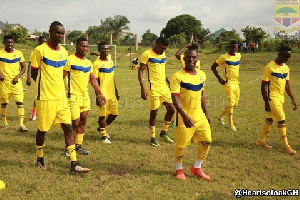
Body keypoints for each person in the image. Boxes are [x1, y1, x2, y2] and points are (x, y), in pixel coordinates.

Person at [30, 21, 90, 173]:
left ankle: (74, 163)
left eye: (62, 33)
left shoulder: (64, 52)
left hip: (61, 98)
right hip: (45, 98)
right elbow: (34, 73)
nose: (60, 35)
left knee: (69, 129)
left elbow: (63, 74)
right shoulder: (39, 50)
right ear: (49, 32)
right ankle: (40, 158)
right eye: (57, 32)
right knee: (42, 130)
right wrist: (43, 89)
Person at [171, 47, 212, 180]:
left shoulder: (202, 75)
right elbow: (175, 98)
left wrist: (206, 113)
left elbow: (202, 96)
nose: (191, 60)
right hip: (184, 117)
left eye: (194, 57)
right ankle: (179, 170)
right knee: (181, 145)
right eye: (188, 57)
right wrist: (183, 115)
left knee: (207, 141)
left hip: (199, 116)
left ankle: (197, 168)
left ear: (197, 59)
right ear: (184, 58)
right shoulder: (178, 76)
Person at [63, 37, 106, 156]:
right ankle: (68, 148)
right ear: (76, 46)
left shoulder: (88, 62)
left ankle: (78, 146)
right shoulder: (69, 60)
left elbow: (93, 81)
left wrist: (100, 94)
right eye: (83, 46)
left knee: (83, 122)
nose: (85, 48)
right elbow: (61, 76)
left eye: (87, 46)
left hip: (84, 96)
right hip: (72, 96)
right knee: (74, 123)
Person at [256, 46, 297, 155]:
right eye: (286, 56)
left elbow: (287, 85)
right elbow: (263, 86)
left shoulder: (286, 68)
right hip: (272, 98)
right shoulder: (269, 67)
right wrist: (266, 102)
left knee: (270, 118)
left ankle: (261, 141)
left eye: (289, 57)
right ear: (279, 54)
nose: (287, 59)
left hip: (280, 98)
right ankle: (286, 146)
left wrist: (292, 98)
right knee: (281, 118)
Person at [138, 37, 175, 146]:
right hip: (152, 88)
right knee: (154, 112)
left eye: (165, 49)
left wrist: (168, 82)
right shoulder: (146, 54)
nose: (163, 51)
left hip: (164, 87)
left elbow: (163, 70)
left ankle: (164, 132)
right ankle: (152, 137)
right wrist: (142, 88)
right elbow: (140, 71)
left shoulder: (163, 54)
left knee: (172, 109)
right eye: (162, 48)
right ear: (157, 44)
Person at [211, 40, 241, 131]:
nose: (234, 48)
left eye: (235, 47)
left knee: (234, 104)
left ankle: (220, 117)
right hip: (228, 83)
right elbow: (213, 67)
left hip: (236, 83)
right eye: (232, 47)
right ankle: (231, 125)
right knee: (231, 104)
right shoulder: (224, 57)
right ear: (229, 46)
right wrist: (219, 78)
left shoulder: (239, 56)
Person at [0, 35, 28, 132]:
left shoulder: (19, 53)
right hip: (4, 82)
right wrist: (0, 74)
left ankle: (21, 125)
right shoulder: (0, 53)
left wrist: (17, 77)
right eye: (8, 42)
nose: (10, 44)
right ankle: (4, 122)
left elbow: (24, 67)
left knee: (20, 102)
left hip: (16, 82)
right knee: (4, 103)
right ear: (4, 43)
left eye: (11, 42)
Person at [93, 41, 119, 144]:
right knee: (102, 116)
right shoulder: (96, 64)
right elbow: (95, 81)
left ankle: (101, 128)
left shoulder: (110, 61)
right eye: (104, 49)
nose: (106, 50)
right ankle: (104, 136)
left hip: (112, 93)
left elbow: (113, 77)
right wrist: (98, 96)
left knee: (115, 114)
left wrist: (116, 91)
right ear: (99, 50)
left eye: (107, 49)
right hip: (102, 94)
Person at [26, 36, 47, 120]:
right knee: (39, 95)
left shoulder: (47, 51)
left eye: (45, 42)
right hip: (38, 77)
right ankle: (34, 110)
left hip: (47, 77)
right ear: (38, 42)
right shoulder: (36, 51)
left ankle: (45, 112)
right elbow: (30, 65)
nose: (43, 43)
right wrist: (28, 76)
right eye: (42, 42)